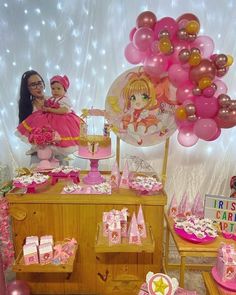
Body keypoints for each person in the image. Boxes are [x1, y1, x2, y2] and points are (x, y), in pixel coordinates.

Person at [17, 74, 83, 156]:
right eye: (33, 84)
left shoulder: (53, 99)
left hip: (58, 149)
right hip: (40, 152)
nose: (38, 87)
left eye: (39, 83)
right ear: (27, 88)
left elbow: (65, 115)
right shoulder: (28, 106)